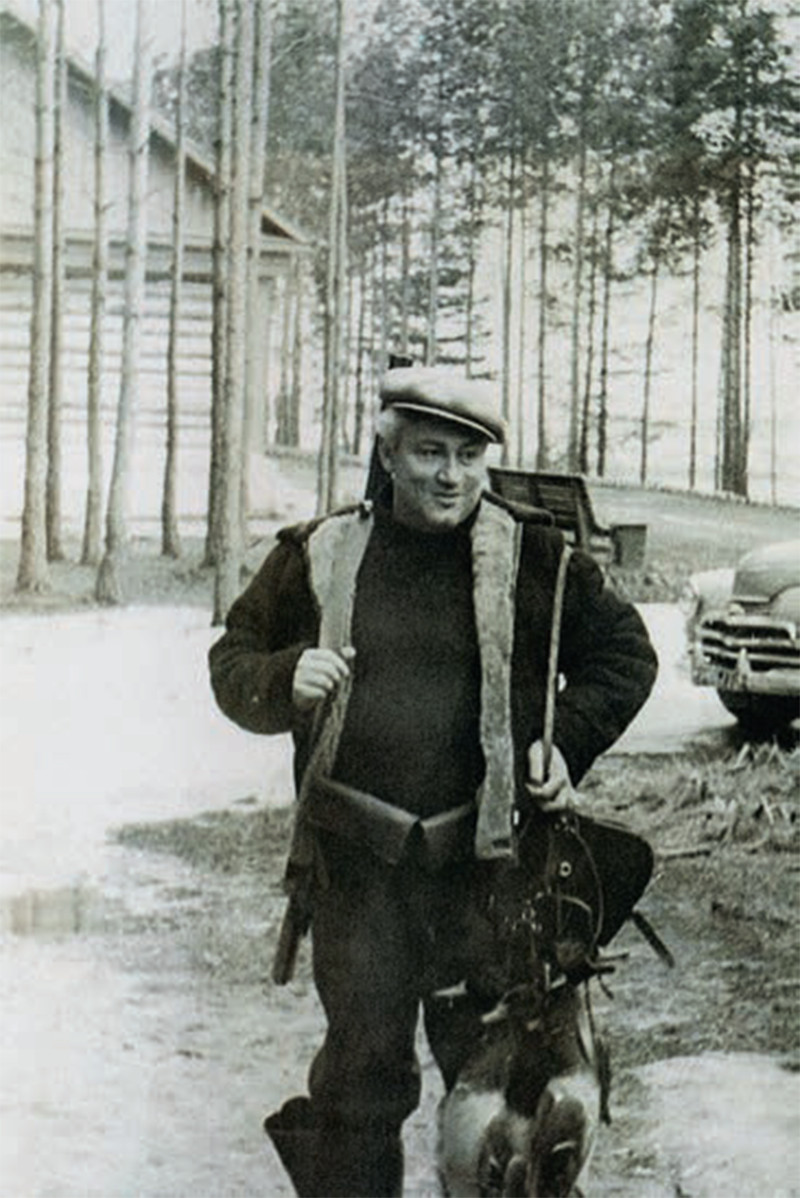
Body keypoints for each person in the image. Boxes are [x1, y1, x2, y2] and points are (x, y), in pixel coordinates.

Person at [208, 366, 658, 1197]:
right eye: (428, 453)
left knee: (504, 1106)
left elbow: (626, 656)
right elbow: (231, 661)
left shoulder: (535, 558)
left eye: (469, 456)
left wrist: (564, 744)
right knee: (358, 1090)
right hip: (357, 878)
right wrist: (282, 677)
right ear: (388, 453)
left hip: (489, 884)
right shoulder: (319, 553)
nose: (451, 475)